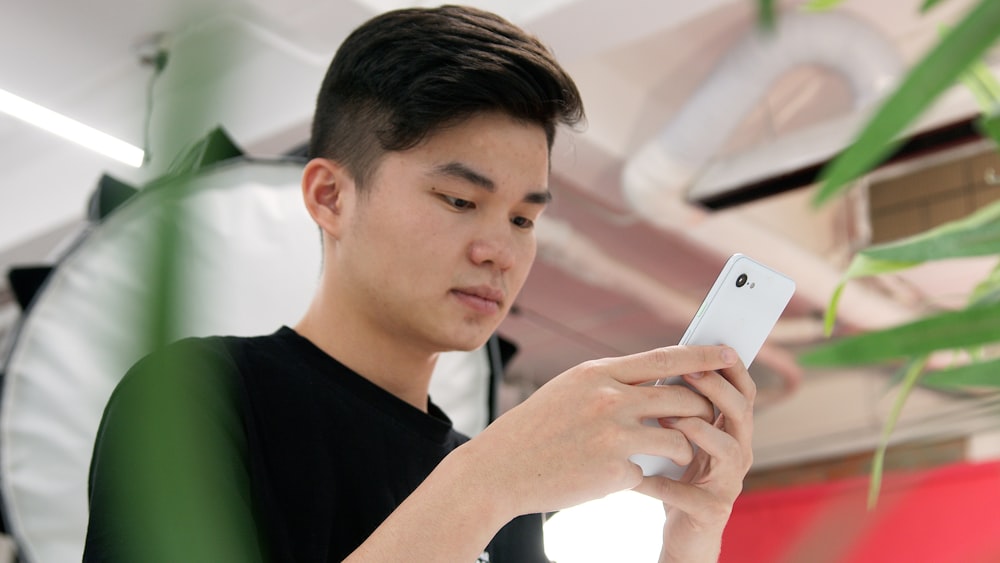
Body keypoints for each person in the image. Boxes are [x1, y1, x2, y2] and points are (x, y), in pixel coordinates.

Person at [83, 5, 754, 562]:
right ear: (330, 196)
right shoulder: (194, 399)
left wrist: (691, 533)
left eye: (524, 216)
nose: (501, 250)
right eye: (460, 200)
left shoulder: (502, 490)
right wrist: (487, 481)